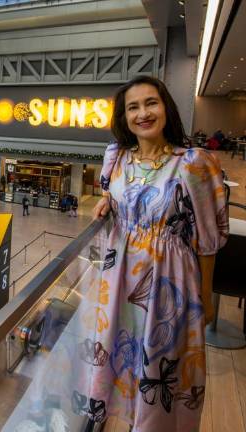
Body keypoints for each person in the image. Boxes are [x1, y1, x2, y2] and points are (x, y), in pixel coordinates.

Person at [78, 76, 228, 431]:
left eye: (151, 103)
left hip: (169, 284)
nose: (143, 113)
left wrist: (205, 296)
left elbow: (208, 240)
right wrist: (106, 200)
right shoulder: (117, 157)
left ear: (166, 108)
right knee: (120, 354)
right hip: (117, 282)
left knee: (160, 363)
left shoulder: (193, 163)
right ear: (123, 116)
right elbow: (119, 195)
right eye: (133, 107)